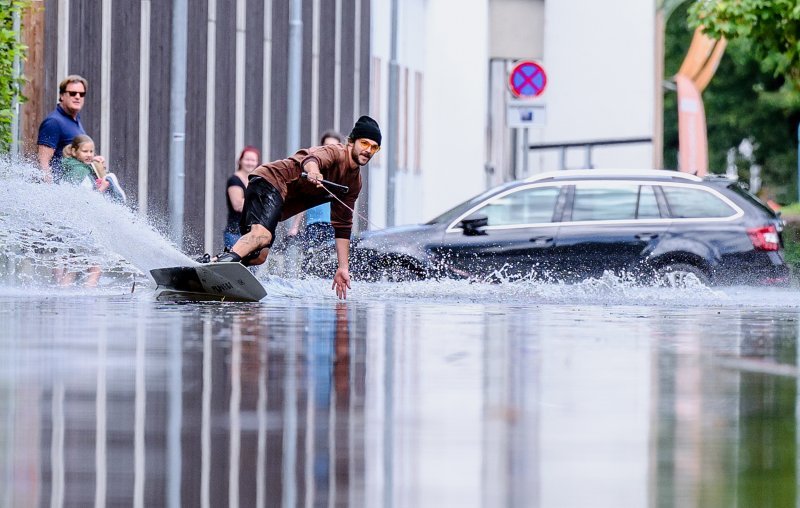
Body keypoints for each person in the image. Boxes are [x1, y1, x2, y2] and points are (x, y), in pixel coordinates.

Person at [213, 115, 382, 300]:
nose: (368, 150)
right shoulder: (336, 152)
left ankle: (214, 265)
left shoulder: (354, 182)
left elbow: (343, 226)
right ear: (351, 142)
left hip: (276, 201)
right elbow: (312, 158)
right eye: (364, 143)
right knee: (262, 235)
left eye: (374, 147)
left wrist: (343, 268)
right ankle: (219, 268)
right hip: (269, 181)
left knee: (260, 255)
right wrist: (314, 171)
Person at [37, 75, 104, 183]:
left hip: (77, 188)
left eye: (81, 94)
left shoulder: (75, 119)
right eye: (72, 93)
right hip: (61, 190)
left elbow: (75, 156)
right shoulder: (53, 122)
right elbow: (43, 163)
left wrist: (92, 159)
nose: (77, 97)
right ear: (62, 95)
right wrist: (49, 193)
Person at [288, 130, 343, 249]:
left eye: (333, 146)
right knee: (309, 261)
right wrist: (295, 226)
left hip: (333, 226)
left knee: (329, 262)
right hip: (313, 225)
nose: (329, 149)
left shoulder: (340, 172)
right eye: (326, 146)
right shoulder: (314, 169)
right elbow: (303, 200)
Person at [223, 146, 261, 250]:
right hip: (235, 232)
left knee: (252, 265)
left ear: (257, 162)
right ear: (240, 161)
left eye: (253, 160)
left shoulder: (256, 181)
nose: (250, 163)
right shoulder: (234, 180)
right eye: (247, 159)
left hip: (253, 233)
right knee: (236, 264)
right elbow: (238, 205)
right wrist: (260, 203)